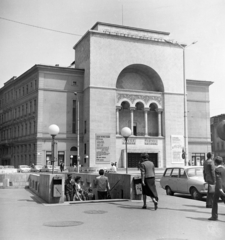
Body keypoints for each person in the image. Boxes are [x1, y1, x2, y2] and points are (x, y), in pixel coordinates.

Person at [208, 156, 225, 221]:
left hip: (219, 188)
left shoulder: (217, 170)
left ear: (215, 163)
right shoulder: (224, 169)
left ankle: (214, 216)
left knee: (215, 201)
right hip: (224, 187)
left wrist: (220, 188)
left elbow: (218, 179)